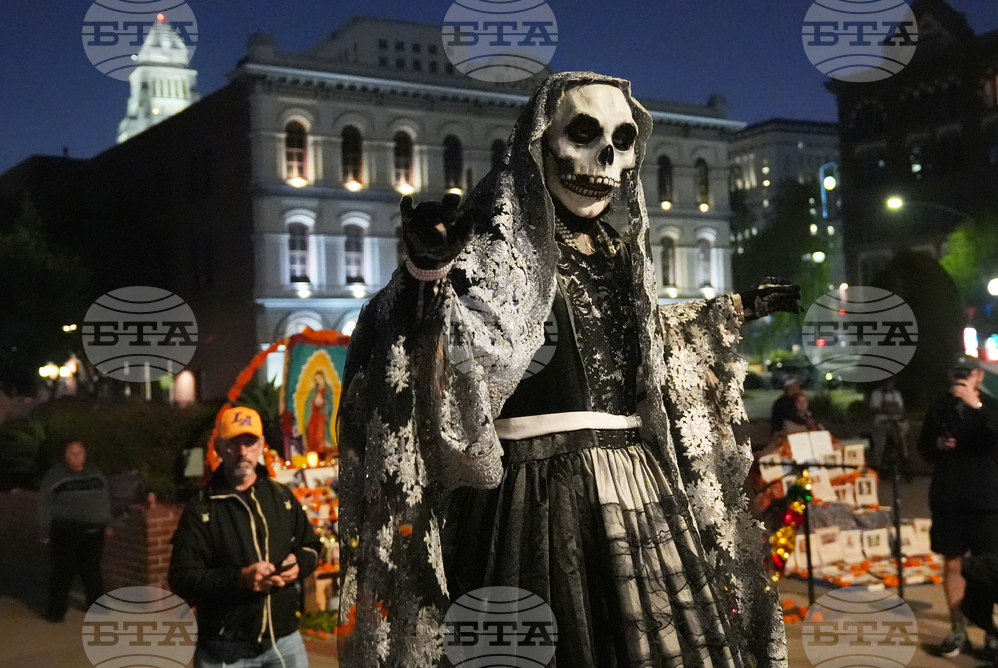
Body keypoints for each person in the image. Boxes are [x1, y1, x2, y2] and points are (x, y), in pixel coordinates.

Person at [337, 72, 798, 667]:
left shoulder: (619, 250)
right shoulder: (491, 244)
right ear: (539, 143)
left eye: (622, 142)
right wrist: (426, 271)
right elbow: (420, 338)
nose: (605, 159)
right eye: (582, 135)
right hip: (527, 495)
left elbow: (648, 338)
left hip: (634, 485)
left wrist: (733, 309)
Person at [168, 406, 323, 668]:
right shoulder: (201, 508)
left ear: (261, 445)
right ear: (219, 448)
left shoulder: (281, 497)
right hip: (225, 648)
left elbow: (312, 545)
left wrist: (299, 565)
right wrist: (240, 578)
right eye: (233, 443)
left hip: (283, 639)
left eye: (249, 442)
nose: (242, 452)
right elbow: (181, 578)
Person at [918, 354, 998, 659]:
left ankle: (991, 634)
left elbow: (995, 432)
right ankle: (958, 630)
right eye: (956, 373)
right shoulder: (940, 407)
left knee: (987, 568)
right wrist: (937, 445)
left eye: (967, 373)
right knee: (952, 564)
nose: (960, 378)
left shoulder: (990, 407)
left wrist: (975, 405)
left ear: (979, 376)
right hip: (949, 497)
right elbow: (923, 448)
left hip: (985, 499)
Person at [38, 440, 112, 622]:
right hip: (66, 530)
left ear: (85, 454)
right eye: (72, 452)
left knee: (92, 571)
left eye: (80, 452)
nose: (76, 456)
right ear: (66, 455)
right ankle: (56, 612)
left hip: (94, 531)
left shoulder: (95, 472)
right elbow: (44, 503)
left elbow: (105, 497)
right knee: (63, 572)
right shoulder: (55, 475)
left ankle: (97, 606)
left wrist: (107, 522)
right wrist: (44, 531)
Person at [869, 377, 908, 472]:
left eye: (891, 383)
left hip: (896, 422)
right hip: (881, 423)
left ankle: (904, 460)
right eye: (887, 383)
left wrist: (890, 410)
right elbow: (875, 409)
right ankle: (877, 465)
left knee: (901, 438)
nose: (889, 385)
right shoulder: (876, 394)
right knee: (880, 444)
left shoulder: (896, 394)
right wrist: (891, 410)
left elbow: (901, 409)